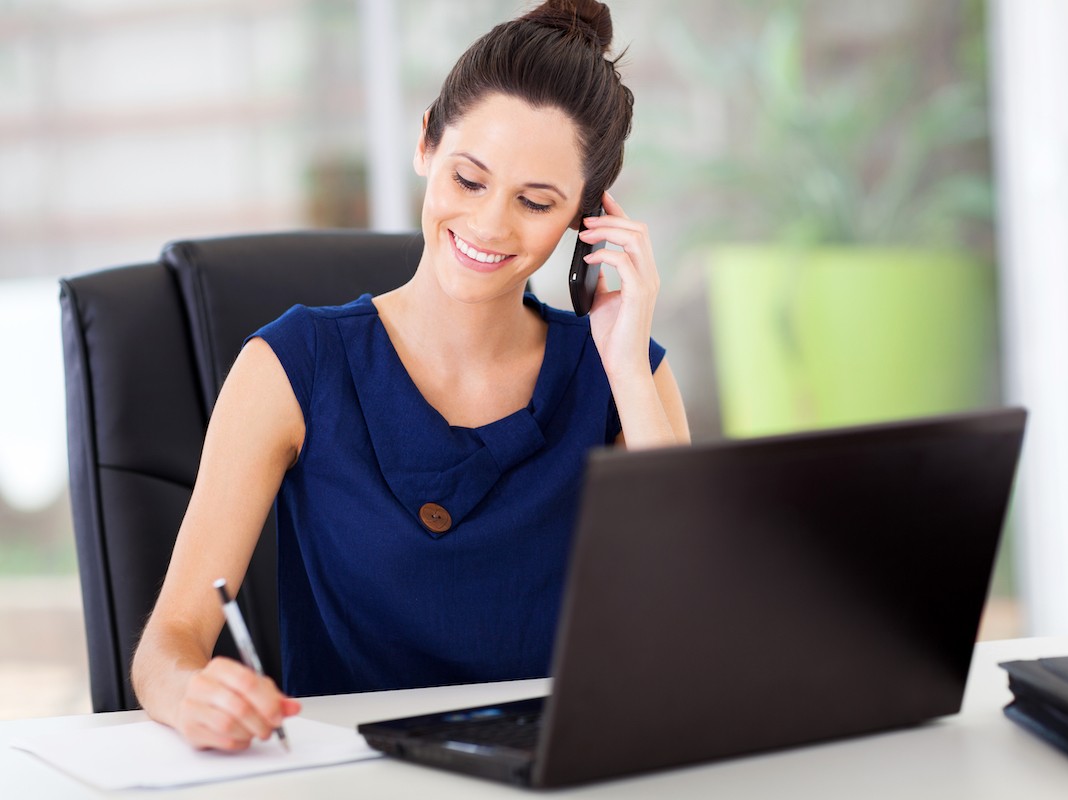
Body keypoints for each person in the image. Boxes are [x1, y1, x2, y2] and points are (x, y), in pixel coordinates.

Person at [130, 0, 689, 752]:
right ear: (425, 142)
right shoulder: (293, 366)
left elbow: (691, 621)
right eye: (469, 179)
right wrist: (194, 693)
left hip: (558, 766)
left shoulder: (625, 375)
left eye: (535, 202)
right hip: (352, 773)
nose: (491, 225)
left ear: (585, 220)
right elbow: (167, 645)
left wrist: (623, 359)